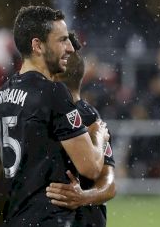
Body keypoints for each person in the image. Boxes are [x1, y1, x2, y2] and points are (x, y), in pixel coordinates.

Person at [0, 6, 107, 227]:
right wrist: (99, 137)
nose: (69, 48)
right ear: (37, 45)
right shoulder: (53, 93)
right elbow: (91, 167)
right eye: (61, 40)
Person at [46, 32, 116, 227]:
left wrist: (83, 197)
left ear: (54, 74)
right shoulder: (93, 118)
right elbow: (109, 184)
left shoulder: (86, 118)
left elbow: (109, 185)